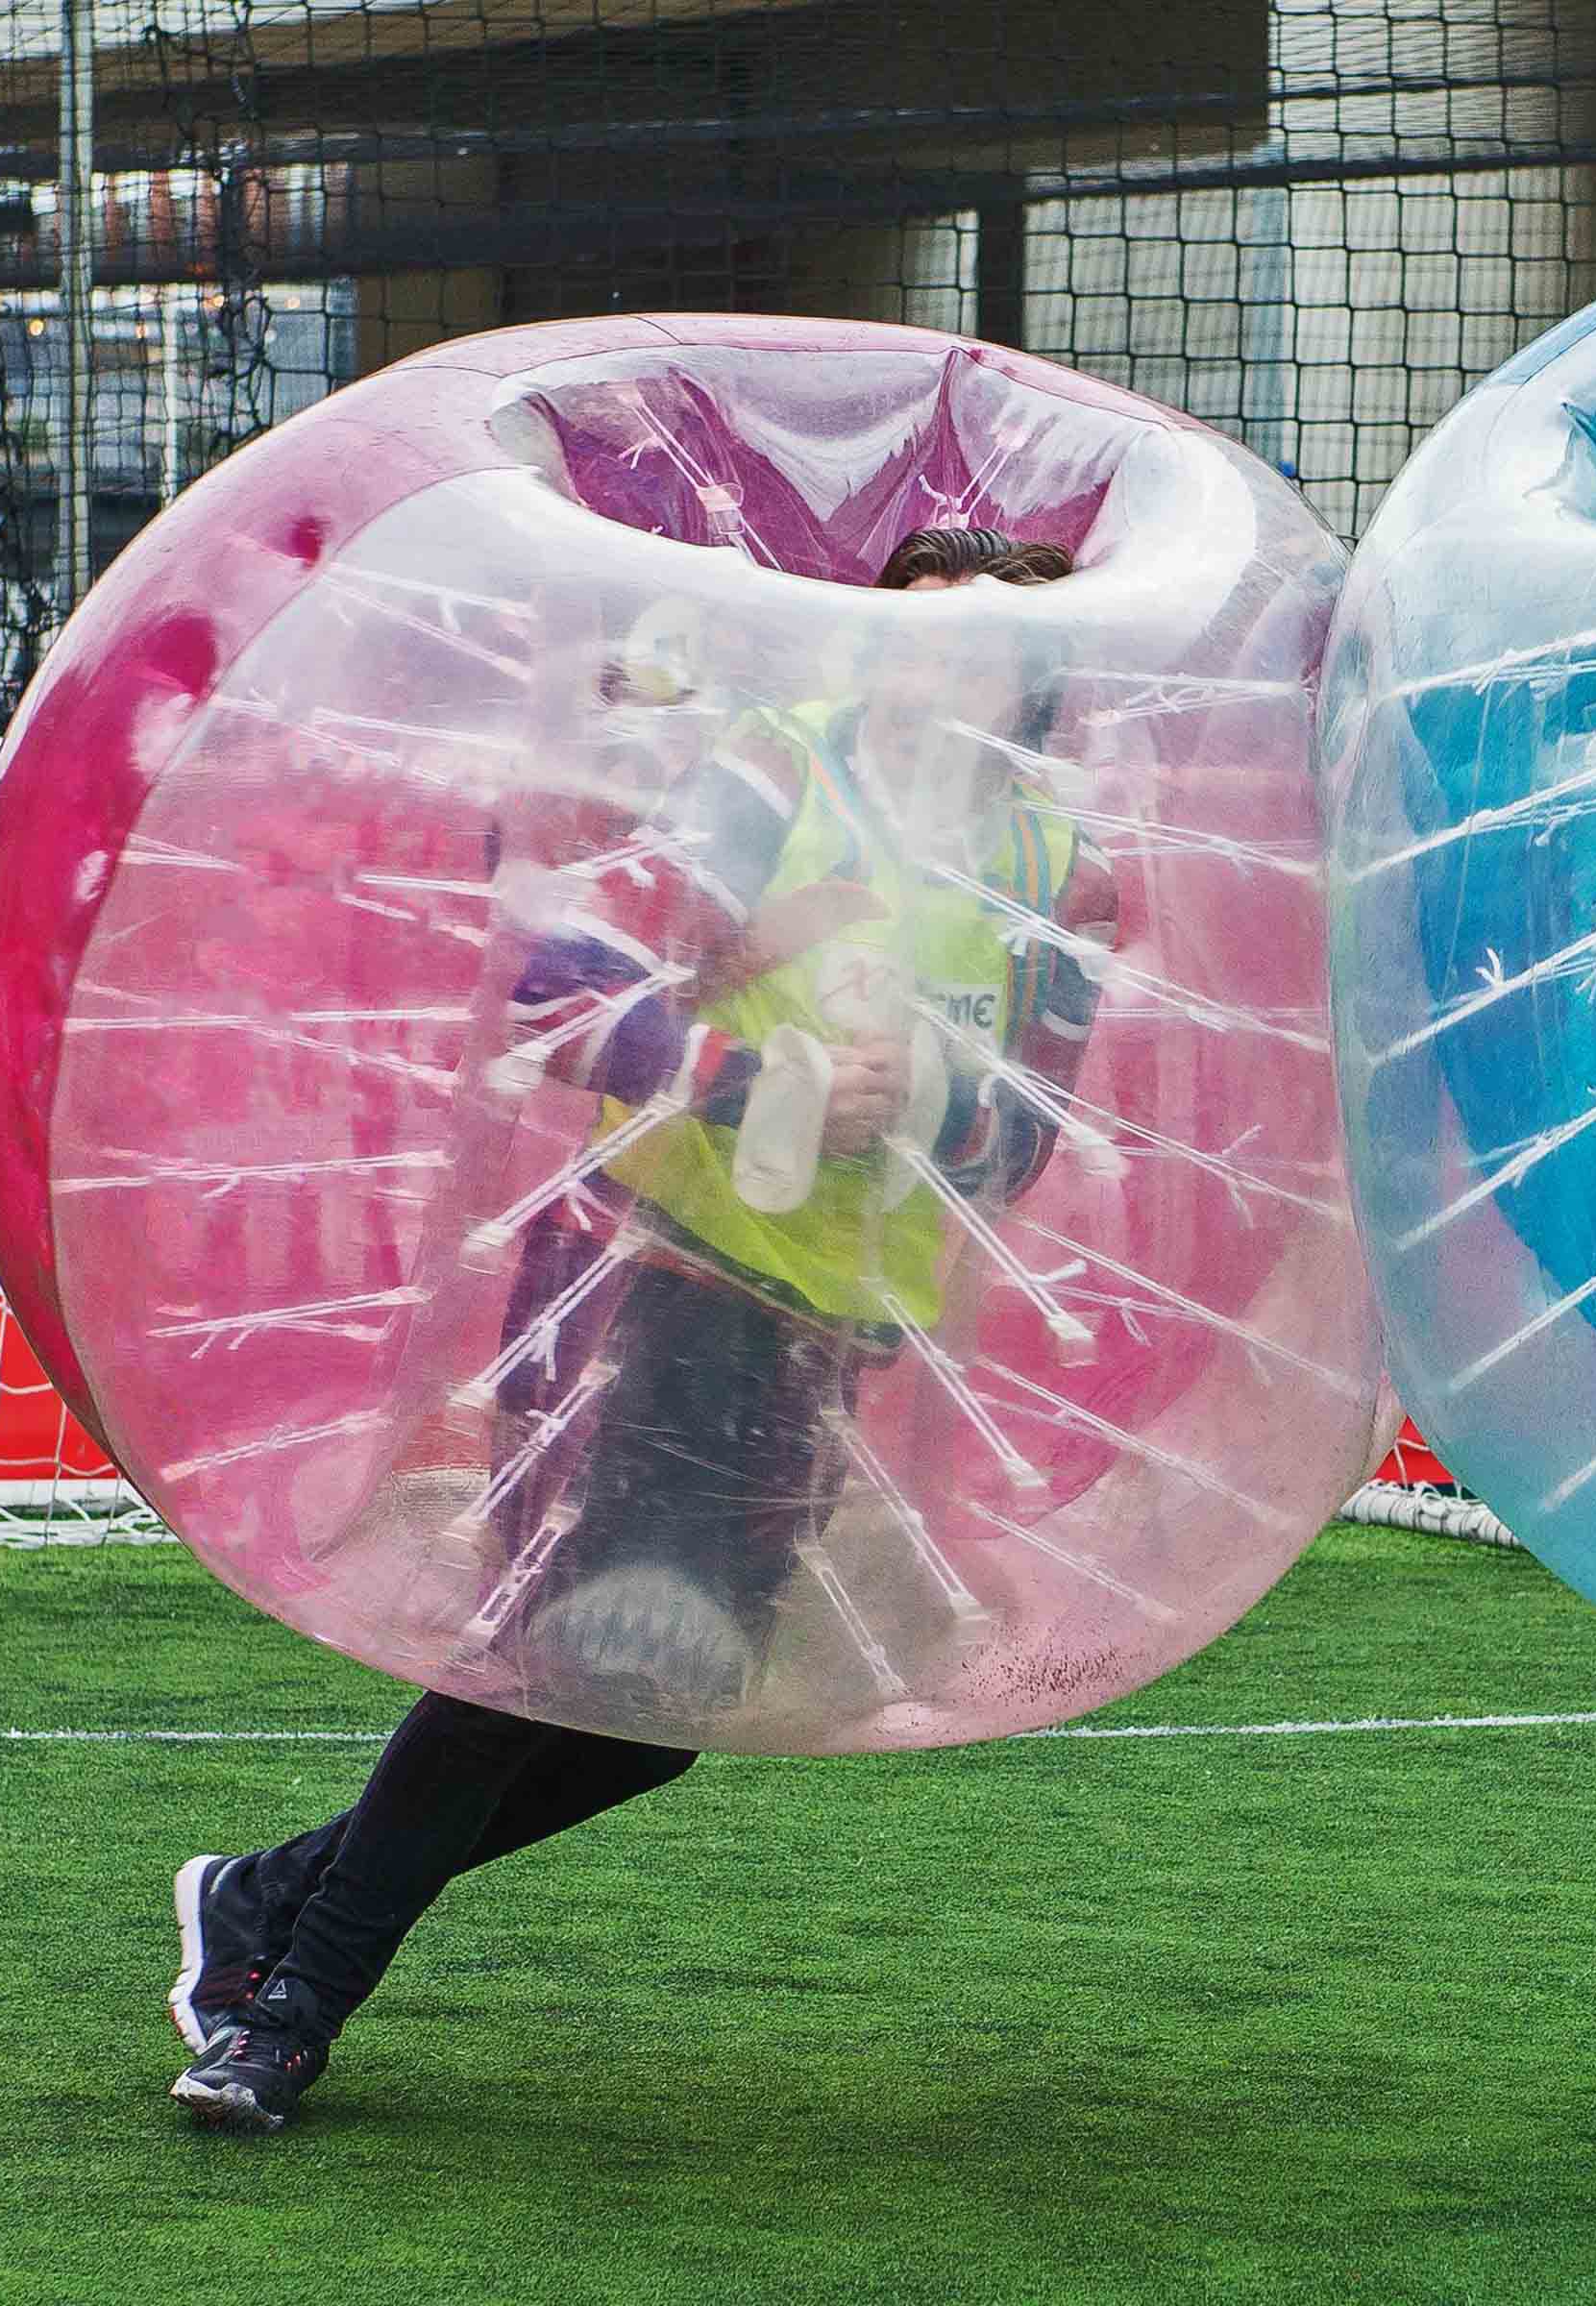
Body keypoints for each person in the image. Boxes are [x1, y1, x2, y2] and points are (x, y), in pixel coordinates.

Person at [167, 524, 1117, 2131]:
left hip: (827, 1330)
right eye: (915, 632)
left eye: (985, 646)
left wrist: (930, 1100)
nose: (939, 666)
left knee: (653, 1725)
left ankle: (262, 1900)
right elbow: (548, 967)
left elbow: (1023, 1146)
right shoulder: (767, 776)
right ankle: (284, 2015)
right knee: (540, 1656)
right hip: (645, 1273)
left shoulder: (1050, 870)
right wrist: (769, 1083)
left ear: (1030, 682)